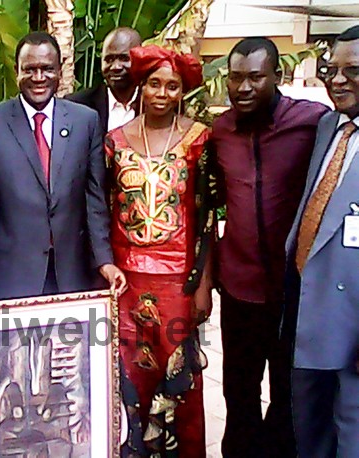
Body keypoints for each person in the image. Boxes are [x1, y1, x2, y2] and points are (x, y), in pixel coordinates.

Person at [211, 37, 329, 458]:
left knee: (287, 396)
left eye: (255, 78)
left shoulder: (314, 122)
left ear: (276, 77)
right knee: (238, 393)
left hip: (291, 293)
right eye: (236, 77)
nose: (244, 88)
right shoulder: (220, 131)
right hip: (239, 290)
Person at [0, 32, 126, 303]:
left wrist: (104, 261)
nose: (38, 77)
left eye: (46, 69)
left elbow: (95, 200)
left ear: (59, 70)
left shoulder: (86, 121)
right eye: (29, 69)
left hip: (71, 275)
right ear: (17, 71)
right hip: (11, 277)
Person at [105, 44, 213, 457]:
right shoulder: (114, 142)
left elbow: (206, 217)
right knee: (130, 373)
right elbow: (104, 208)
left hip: (178, 284)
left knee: (180, 377)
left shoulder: (198, 139)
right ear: (141, 87)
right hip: (126, 282)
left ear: (181, 91)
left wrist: (203, 284)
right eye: (154, 84)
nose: (162, 94)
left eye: (172, 86)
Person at [285, 25, 359, 458]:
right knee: (310, 437)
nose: (338, 79)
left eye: (354, 70)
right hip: (307, 312)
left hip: (352, 328)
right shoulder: (329, 125)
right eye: (332, 69)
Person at [68, 27, 142, 132]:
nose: (115, 67)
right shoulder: (78, 106)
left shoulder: (153, 104)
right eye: (109, 59)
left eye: (124, 59)